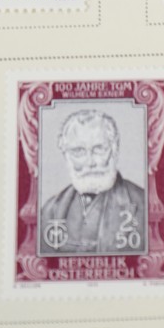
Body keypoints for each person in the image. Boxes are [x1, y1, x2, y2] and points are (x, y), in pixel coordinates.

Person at [39, 109, 147, 256]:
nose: (90, 162)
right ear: (66, 156)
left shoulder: (143, 204)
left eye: (99, 149)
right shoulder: (49, 211)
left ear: (115, 149)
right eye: (78, 151)